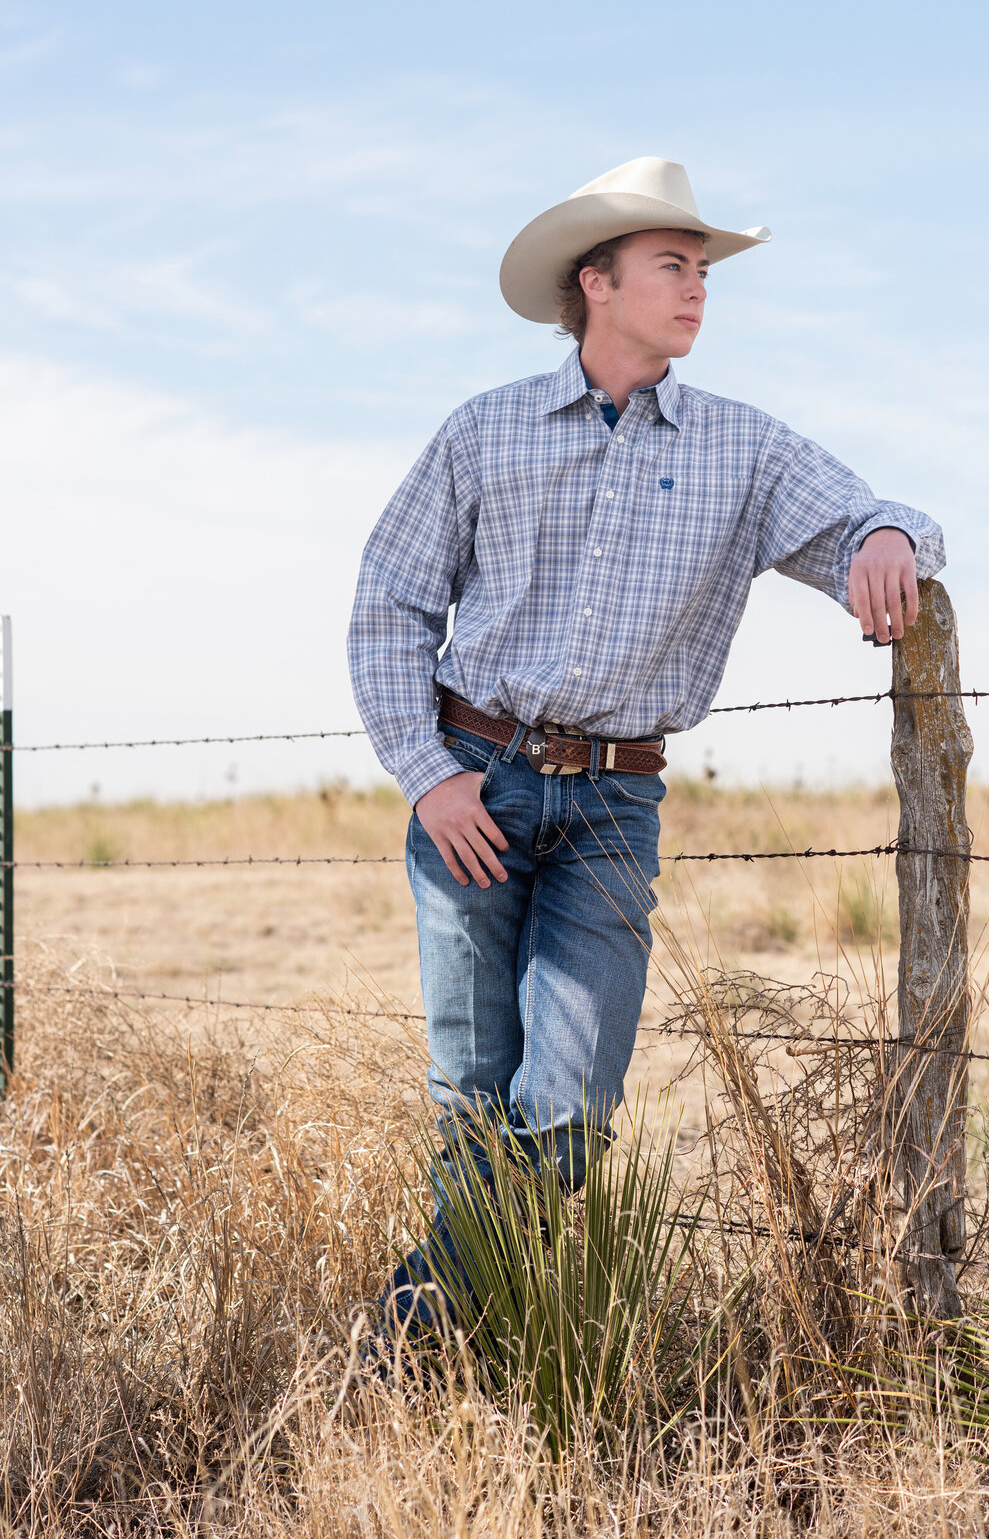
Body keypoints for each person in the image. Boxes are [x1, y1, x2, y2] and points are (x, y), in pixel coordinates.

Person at [347, 156, 944, 1338]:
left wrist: (886, 535)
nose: (698, 289)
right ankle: (465, 1353)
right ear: (598, 282)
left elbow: (873, 518)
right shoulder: (486, 430)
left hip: (614, 808)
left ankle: (409, 1327)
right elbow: (390, 603)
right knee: (472, 1099)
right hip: (474, 786)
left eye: (704, 270)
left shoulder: (743, 449)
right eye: (675, 265)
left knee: (564, 1111)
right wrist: (431, 779)